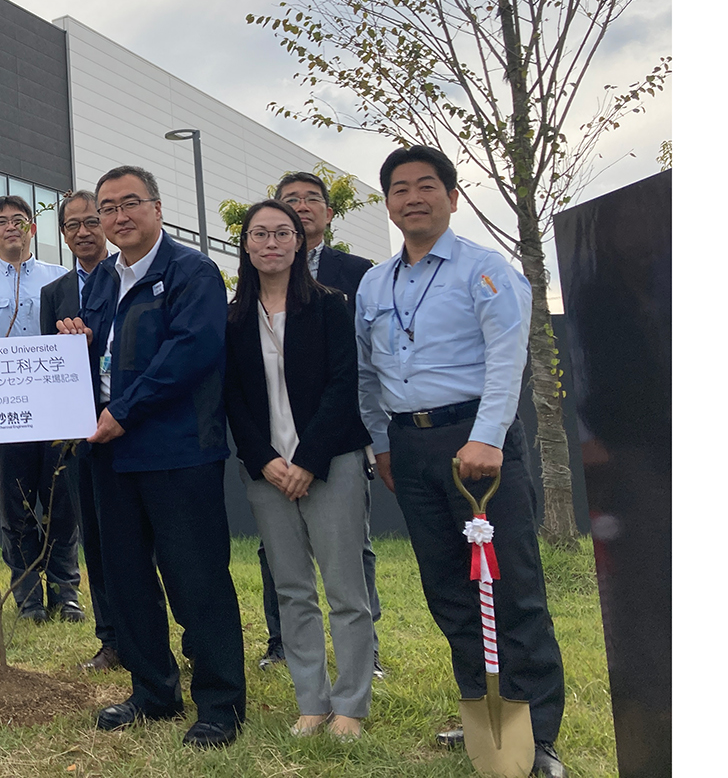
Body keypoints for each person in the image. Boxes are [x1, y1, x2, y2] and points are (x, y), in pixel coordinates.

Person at [356, 145, 567, 778]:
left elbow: (508, 360)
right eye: (399, 189)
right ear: (388, 203)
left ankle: (539, 736)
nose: (411, 197)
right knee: (448, 585)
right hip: (410, 446)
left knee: (509, 584)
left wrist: (488, 437)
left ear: (452, 196)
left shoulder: (486, 270)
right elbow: (368, 373)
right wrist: (381, 443)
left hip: (478, 442)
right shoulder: (374, 281)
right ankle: (482, 710)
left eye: (426, 186)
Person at [55, 165, 246, 749]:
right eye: (107, 208)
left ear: (158, 208)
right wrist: (79, 346)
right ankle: (152, 692)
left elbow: (190, 352)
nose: (117, 217)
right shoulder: (105, 278)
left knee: (196, 579)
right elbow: (112, 354)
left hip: (176, 450)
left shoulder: (193, 271)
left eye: (129, 203)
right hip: (110, 452)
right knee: (125, 578)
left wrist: (122, 412)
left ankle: (219, 705)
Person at [224, 199, 373, 740]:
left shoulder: (332, 306)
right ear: (245, 245)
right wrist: (265, 460)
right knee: (292, 590)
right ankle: (312, 702)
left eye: (282, 233)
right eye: (259, 234)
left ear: (300, 241)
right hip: (266, 472)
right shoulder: (233, 317)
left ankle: (352, 707)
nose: (271, 243)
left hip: (330, 463)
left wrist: (307, 461)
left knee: (345, 590)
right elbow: (233, 400)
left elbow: (343, 386)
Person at [253, 171, 386, 678]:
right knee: (278, 552)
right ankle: (282, 642)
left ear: (329, 214)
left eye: (312, 200)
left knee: (354, 548)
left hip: (340, 435)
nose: (302, 208)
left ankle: (364, 650)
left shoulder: (355, 273)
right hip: (274, 445)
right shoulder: (254, 287)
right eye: (291, 201)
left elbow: (359, 361)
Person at [0, 195, 77, 624]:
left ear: (33, 229)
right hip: (2, 415)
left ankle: (67, 593)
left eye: (19, 220)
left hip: (57, 412)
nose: (11, 227)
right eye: (1, 222)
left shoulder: (63, 280)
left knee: (61, 502)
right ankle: (28, 597)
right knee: (16, 507)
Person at [38, 191, 120, 672]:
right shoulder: (55, 293)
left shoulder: (126, 275)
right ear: (63, 234)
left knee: (137, 538)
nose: (84, 232)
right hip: (77, 430)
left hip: (125, 419)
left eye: (93, 221)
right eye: (74, 226)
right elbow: (52, 363)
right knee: (94, 535)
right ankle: (109, 639)